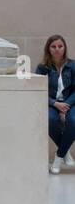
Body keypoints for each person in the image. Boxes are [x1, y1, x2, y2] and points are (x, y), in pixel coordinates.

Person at [38, 35, 75, 175]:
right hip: (52, 104)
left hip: (71, 103)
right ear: (49, 49)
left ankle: (58, 158)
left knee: (73, 121)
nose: (57, 49)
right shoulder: (42, 68)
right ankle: (64, 152)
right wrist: (55, 104)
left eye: (60, 46)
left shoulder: (73, 66)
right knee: (50, 119)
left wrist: (66, 105)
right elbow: (38, 90)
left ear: (65, 48)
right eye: (53, 46)